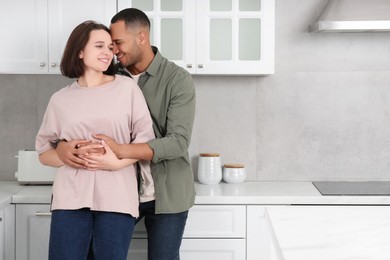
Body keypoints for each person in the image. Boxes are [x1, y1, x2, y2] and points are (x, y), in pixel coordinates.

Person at [55, 8, 196, 260]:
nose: (113, 51)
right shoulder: (108, 76)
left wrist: (120, 150)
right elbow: (79, 119)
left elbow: (178, 143)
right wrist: (63, 147)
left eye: (117, 43)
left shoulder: (177, 80)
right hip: (119, 191)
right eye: (108, 45)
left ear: (141, 38)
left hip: (167, 193)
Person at [35, 20, 155, 260]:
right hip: (70, 199)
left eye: (110, 47)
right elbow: (43, 152)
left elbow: (146, 141)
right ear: (80, 51)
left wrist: (116, 163)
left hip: (116, 198)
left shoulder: (127, 89)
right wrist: (63, 152)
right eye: (99, 46)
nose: (107, 53)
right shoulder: (60, 99)